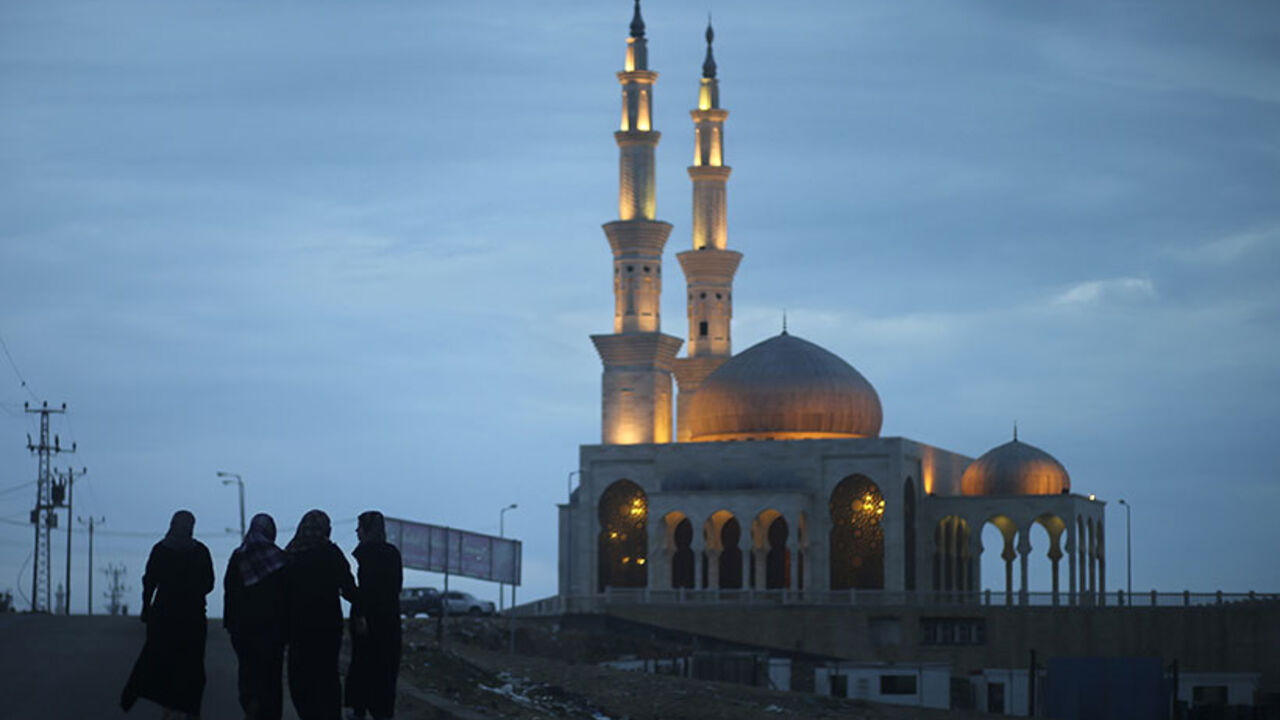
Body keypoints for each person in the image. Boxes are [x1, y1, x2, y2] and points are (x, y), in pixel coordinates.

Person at [121, 510, 215, 720]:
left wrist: (146, 608)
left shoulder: (160, 550)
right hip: (193, 619)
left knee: (165, 663)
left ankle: (169, 707)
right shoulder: (200, 552)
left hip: (164, 617)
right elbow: (209, 584)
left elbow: (149, 582)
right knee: (192, 667)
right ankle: (191, 710)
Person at [284, 509, 357, 720]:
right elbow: (349, 588)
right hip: (328, 628)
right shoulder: (331, 553)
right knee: (327, 677)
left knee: (301, 679)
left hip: (298, 629)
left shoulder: (290, 555)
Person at [224, 513, 288, 720]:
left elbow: (230, 591)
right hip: (272, 631)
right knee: (270, 677)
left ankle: (251, 704)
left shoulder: (238, 556)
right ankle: (268, 713)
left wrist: (230, 623)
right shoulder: (279, 558)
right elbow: (288, 595)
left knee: (248, 672)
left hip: (243, 629)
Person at [344, 511, 403, 720]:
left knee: (362, 665)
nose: (357, 531)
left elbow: (367, 590)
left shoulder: (367, 552)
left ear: (368, 529)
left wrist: (360, 615)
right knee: (385, 670)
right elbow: (396, 587)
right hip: (390, 621)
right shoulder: (392, 552)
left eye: (360, 527)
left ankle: (358, 708)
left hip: (368, 622)